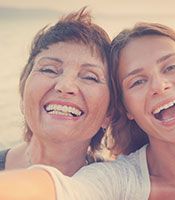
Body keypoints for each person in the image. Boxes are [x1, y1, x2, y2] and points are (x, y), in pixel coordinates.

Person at [0, 22, 175, 200]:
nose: (159, 85)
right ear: (126, 109)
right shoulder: (118, 181)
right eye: (137, 81)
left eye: (172, 66)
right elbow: (61, 189)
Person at [0, 7, 111, 176]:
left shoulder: (121, 190)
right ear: (23, 90)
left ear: (109, 113)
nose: (65, 86)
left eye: (90, 77)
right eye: (49, 70)